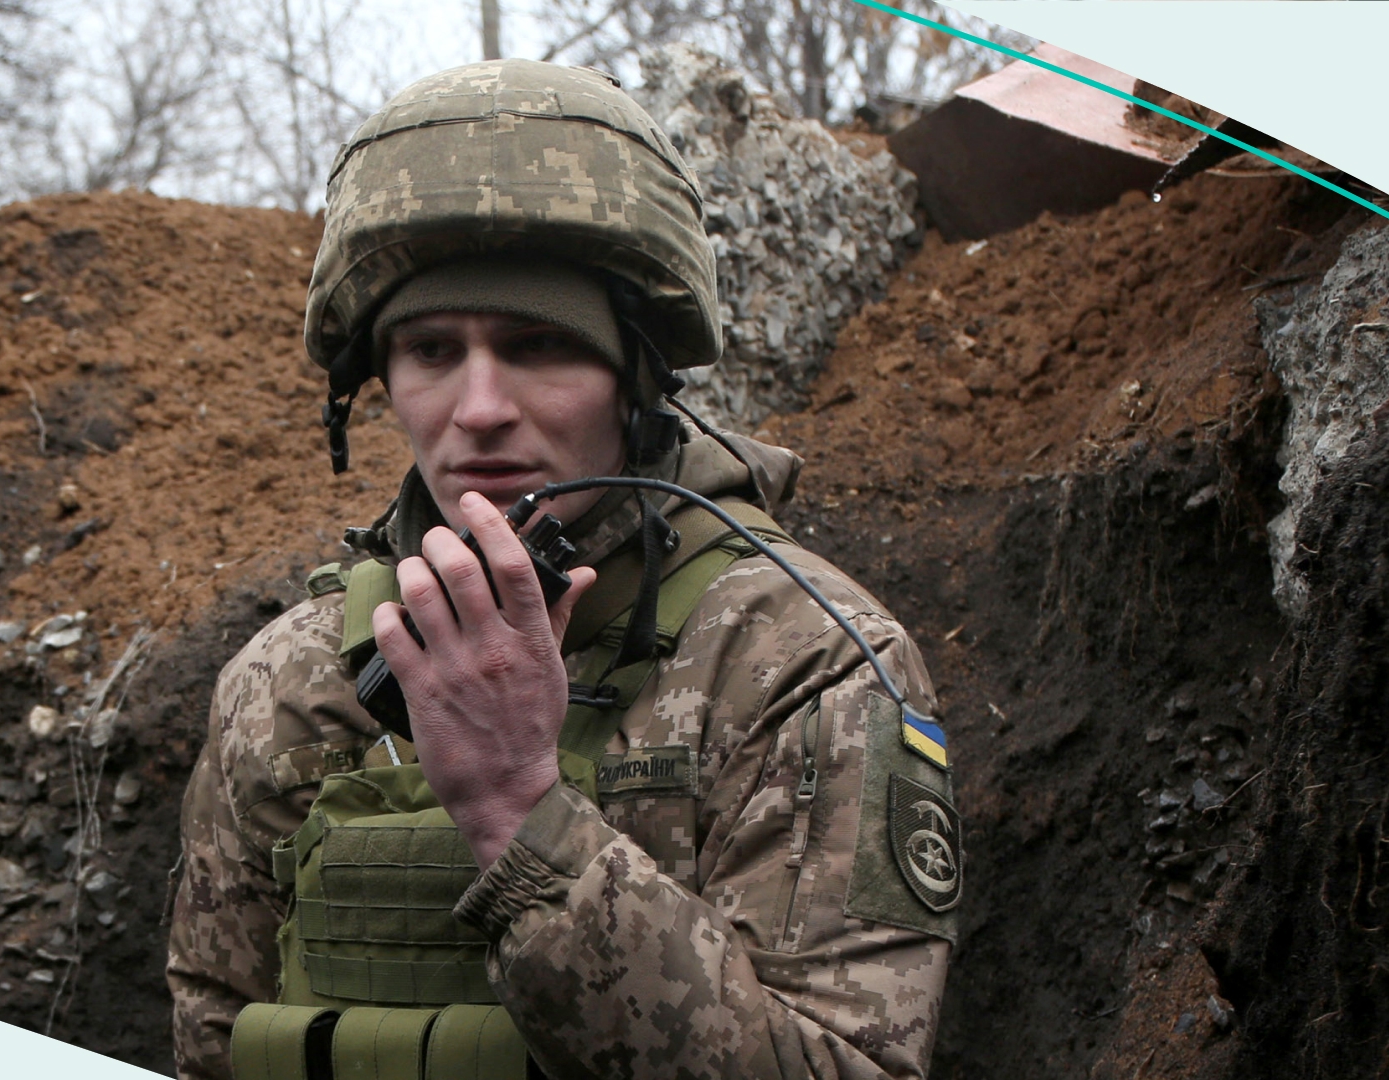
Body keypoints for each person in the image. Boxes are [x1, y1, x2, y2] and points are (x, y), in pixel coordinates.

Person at [167, 58, 960, 1080]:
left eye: (540, 344)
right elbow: (212, 1045)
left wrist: (515, 807)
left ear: (637, 378)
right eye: (431, 350)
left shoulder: (810, 666)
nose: (481, 405)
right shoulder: (289, 683)